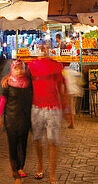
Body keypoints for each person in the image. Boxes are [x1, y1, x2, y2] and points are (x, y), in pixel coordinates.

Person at [25, 49, 72, 183]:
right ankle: (40, 166)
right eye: (41, 47)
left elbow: (63, 87)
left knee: (53, 142)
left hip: (53, 108)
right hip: (36, 107)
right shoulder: (31, 65)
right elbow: (19, 76)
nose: (43, 50)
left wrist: (66, 109)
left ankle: (52, 174)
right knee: (37, 139)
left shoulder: (56, 65)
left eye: (46, 47)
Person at [2, 60, 32, 182]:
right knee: (13, 145)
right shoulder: (7, 83)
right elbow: (2, 101)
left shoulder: (28, 83)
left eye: (21, 69)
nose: (19, 71)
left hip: (24, 119)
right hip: (11, 119)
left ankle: (20, 167)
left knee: (23, 144)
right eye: (16, 69)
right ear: (12, 70)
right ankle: (14, 170)